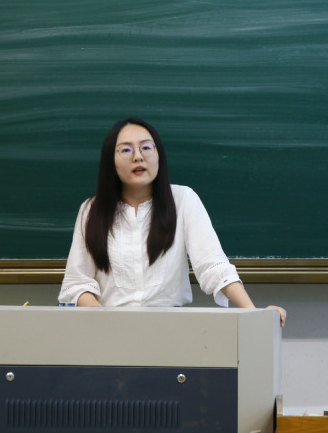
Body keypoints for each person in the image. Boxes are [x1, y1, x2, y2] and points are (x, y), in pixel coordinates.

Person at [58, 117, 286, 326]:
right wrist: (106, 321)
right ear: (111, 162)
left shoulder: (183, 200)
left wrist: (255, 314)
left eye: (146, 147)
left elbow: (213, 266)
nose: (138, 156)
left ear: (159, 156)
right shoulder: (91, 210)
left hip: (171, 330)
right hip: (107, 330)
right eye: (126, 150)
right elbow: (77, 283)